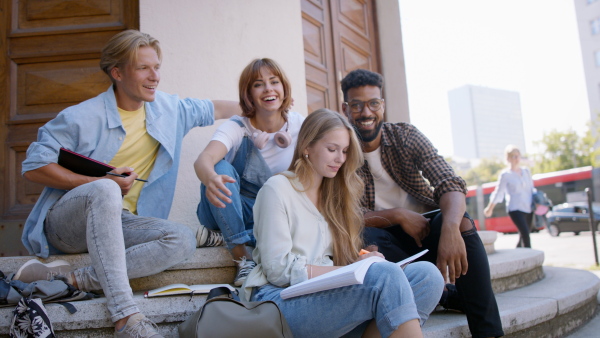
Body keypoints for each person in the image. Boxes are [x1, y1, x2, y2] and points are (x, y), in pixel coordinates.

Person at [16, 30, 241, 338]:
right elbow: (33, 166)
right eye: (143, 68)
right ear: (117, 72)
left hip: (121, 225)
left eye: (157, 67)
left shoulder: (167, 109)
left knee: (182, 239)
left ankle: (73, 279)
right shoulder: (82, 117)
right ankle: (126, 317)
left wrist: (264, 108)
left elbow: (215, 109)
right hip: (69, 224)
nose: (155, 77)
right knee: (105, 188)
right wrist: (98, 180)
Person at [242, 108, 444, 337]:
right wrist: (349, 270)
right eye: (332, 149)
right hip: (278, 300)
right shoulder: (277, 190)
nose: (340, 158)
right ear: (307, 146)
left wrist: (361, 260)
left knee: (428, 277)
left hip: (324, 295)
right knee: (384, 276)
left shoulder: (335, 197)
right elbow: (277, 270)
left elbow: (333, 258)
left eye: (345, 151)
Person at [341, 69, 504, 338]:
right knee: (362, 235)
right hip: (381, 242)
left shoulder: (405, 137)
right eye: (357, 105)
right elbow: (340, 215)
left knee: (462, 222)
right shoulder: (341, 150)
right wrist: (397, 215)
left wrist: (450, 229)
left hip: (426, 233)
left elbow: (449, 182)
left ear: (382, 105)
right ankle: (443, 294)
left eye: (373, 103)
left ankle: (489, 332)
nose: (366, 113)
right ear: (346, 109)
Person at [194, 58, 305, 286]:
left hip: (269, 215)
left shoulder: (300, 126)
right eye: (258, 84)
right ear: (248, 93)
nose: (268, 89)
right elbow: (203, 160)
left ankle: (220, 238)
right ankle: (242, 258)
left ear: (284, 88)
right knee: (220, 166)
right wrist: (211, 177)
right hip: (227, 207)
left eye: (274, 82)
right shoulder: (237, 126)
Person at [484, 145, 535, 248]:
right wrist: (490, 208)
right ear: (508, 158)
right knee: (525, 234)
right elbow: (498, 192)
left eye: (518, 156)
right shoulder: (505, 175)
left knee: (523, 234)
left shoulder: (526, 171)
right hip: (515, 209)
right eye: (513, 156)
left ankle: (518, 252)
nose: (516, 159)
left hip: (529, 207)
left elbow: (531, 189)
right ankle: (531, 258)